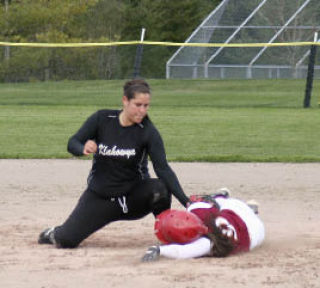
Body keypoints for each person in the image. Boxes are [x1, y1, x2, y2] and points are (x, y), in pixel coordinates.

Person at [38, 79, 190, 248]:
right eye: (138, 104)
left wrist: (187, 202)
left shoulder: (148, 132)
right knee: (66, 240)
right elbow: (72, 143)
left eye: (146, 106)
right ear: (125, 100)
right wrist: (82, 148)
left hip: (133, 199)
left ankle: (167, 233)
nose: (142, 110)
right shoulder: (102, 119)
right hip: (100, 197)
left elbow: (163, 169)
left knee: (160, 189)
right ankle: (54, 233)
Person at [142, 188, 265, 261]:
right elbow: (208, 203)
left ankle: (250, 210)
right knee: (222, 203)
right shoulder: (195, 210)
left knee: (221, 205)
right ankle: (223, 197)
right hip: (237, 210)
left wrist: (160, 250)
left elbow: (182, 251)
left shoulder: (207, 243)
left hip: (256, 233)